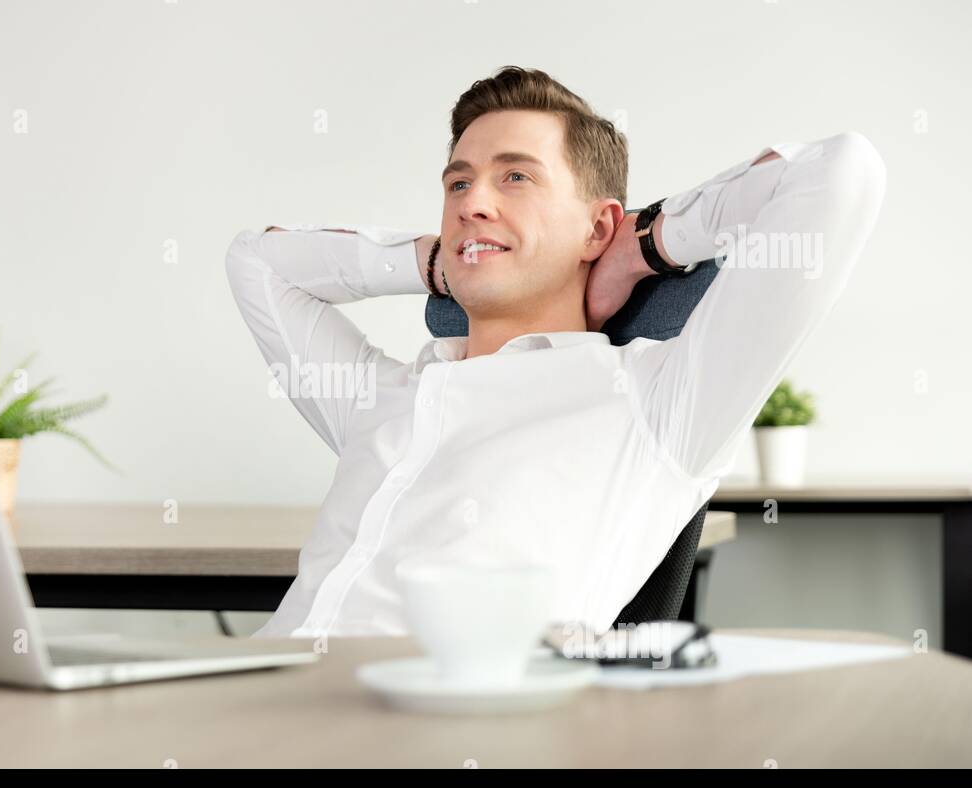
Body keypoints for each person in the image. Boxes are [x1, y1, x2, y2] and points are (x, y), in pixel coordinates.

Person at [224, 65, 886, 639]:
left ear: (597, 224)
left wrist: (642, 245)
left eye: (514, 177)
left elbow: (842, 171)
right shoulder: (381, 397)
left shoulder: (655, 404)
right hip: (246, 704)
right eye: (458, 184)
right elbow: (256, 263)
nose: (472, 202)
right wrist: (439, 260)